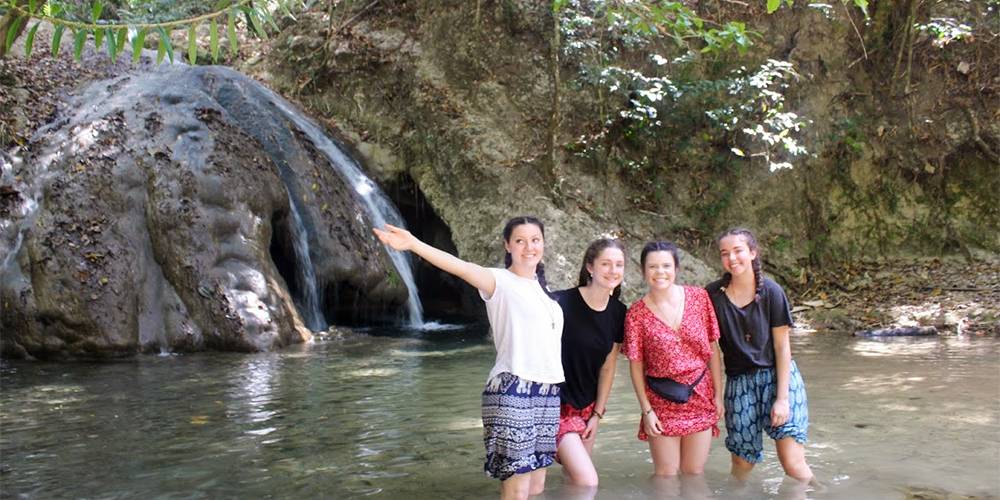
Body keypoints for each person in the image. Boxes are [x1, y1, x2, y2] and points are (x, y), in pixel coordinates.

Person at [373, 216, 563, 500]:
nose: (528, 247)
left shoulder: (545, 293)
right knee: (518, 487)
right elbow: (459, 267)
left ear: (544, 244)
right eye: (520, 241)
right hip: (513, 388)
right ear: (508, 245)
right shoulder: (498, 280)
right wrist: (413, 244)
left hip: (547, 392)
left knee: (536, 486)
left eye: (535, 240)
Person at [704, 227, 813, 482]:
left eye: (738, 251)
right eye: (725, 253)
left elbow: (782, 347)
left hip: (778, 379)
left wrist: (782, 399)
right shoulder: (712, 296)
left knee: (793, 465)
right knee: (742, 463)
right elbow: (712, 352)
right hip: (739, 382)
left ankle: (821, 494)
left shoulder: (772, 292)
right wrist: (716, 396)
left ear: (753, 253)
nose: (732, 258)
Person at [622, 240, 724, 477]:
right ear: (642, 271)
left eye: (666, 266)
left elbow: (712, 349)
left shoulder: (699, 298)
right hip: (661, 401)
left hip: (701, 394)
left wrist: (718, 395)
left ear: (676, 269)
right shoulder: (635, 315)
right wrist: (646, 411)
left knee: (693, 472)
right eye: (653, 267)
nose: (660, 272)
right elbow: (636, 366)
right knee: (666, 475)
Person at [553, 238, 627, 489]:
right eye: (606, 264)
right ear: (590, 268)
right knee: (588, 482)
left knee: (572, 481)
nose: (613, 270)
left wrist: (597, 414)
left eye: (619, 264)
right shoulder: (561, 303)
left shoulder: (618, 312)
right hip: (555, 404)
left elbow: (608, 366)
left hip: (587, 408)